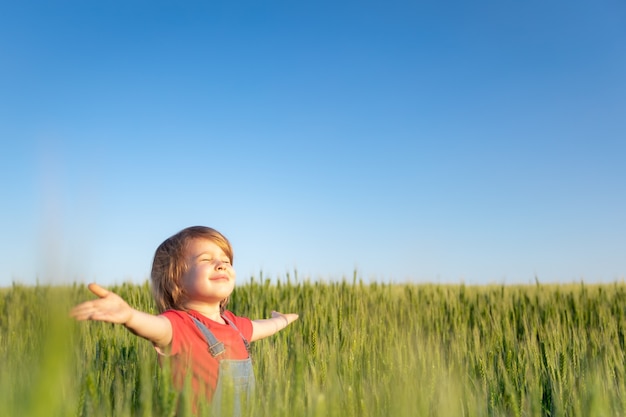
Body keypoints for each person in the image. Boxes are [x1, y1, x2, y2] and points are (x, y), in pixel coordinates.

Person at [71, 226, 299, 415]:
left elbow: (260, 328)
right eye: (206, 259)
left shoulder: (233, 324)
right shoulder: (179, 324)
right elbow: (156, 328)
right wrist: (130, 317)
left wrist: (281, 321)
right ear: (175, 280)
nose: (221, 264)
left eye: (226, 260)